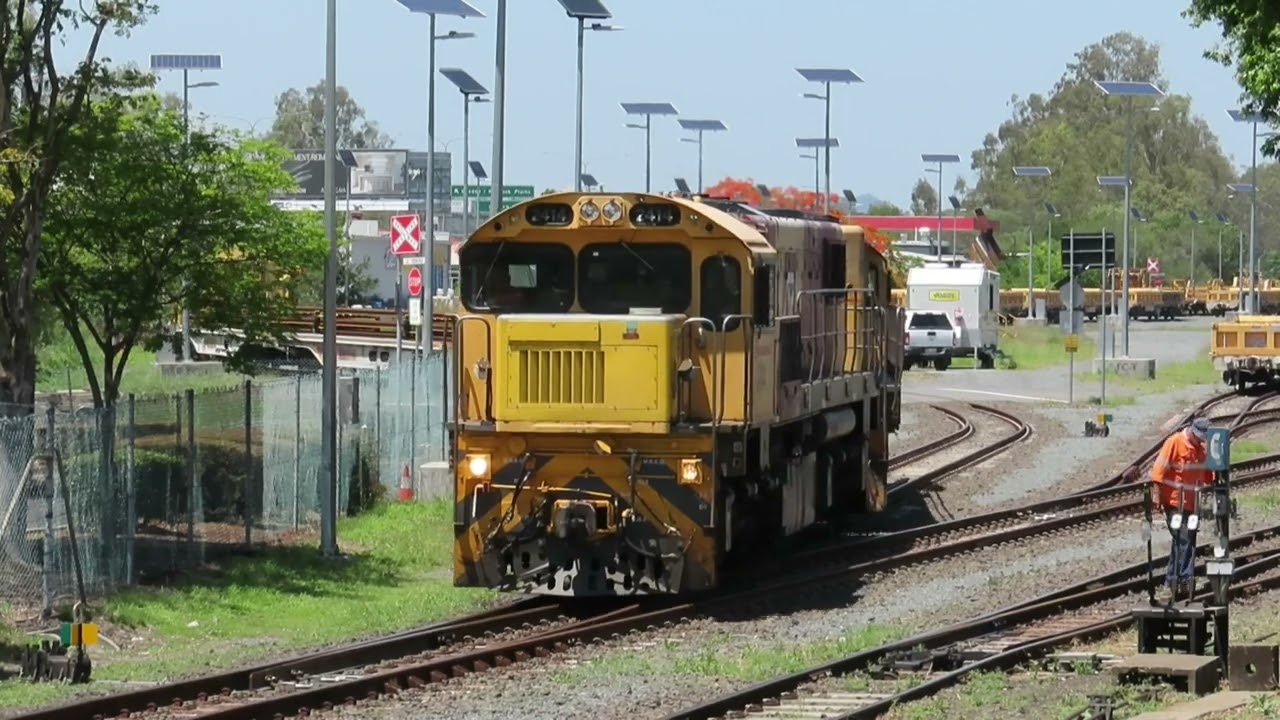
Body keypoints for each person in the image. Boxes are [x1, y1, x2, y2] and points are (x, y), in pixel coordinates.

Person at [1151, 417, 1213, 599]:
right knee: (1184, 540)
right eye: (1199, 437)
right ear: (1191, 431)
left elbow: (1209, 475)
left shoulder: (1201, 450)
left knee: (1183, 541)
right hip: (1174, 502)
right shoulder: (1174, 442)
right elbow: (1158, 471)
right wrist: (1156, 495)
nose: (1201, 441)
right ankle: (1184, 581)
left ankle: (1172, 582)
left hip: (1192, 505)